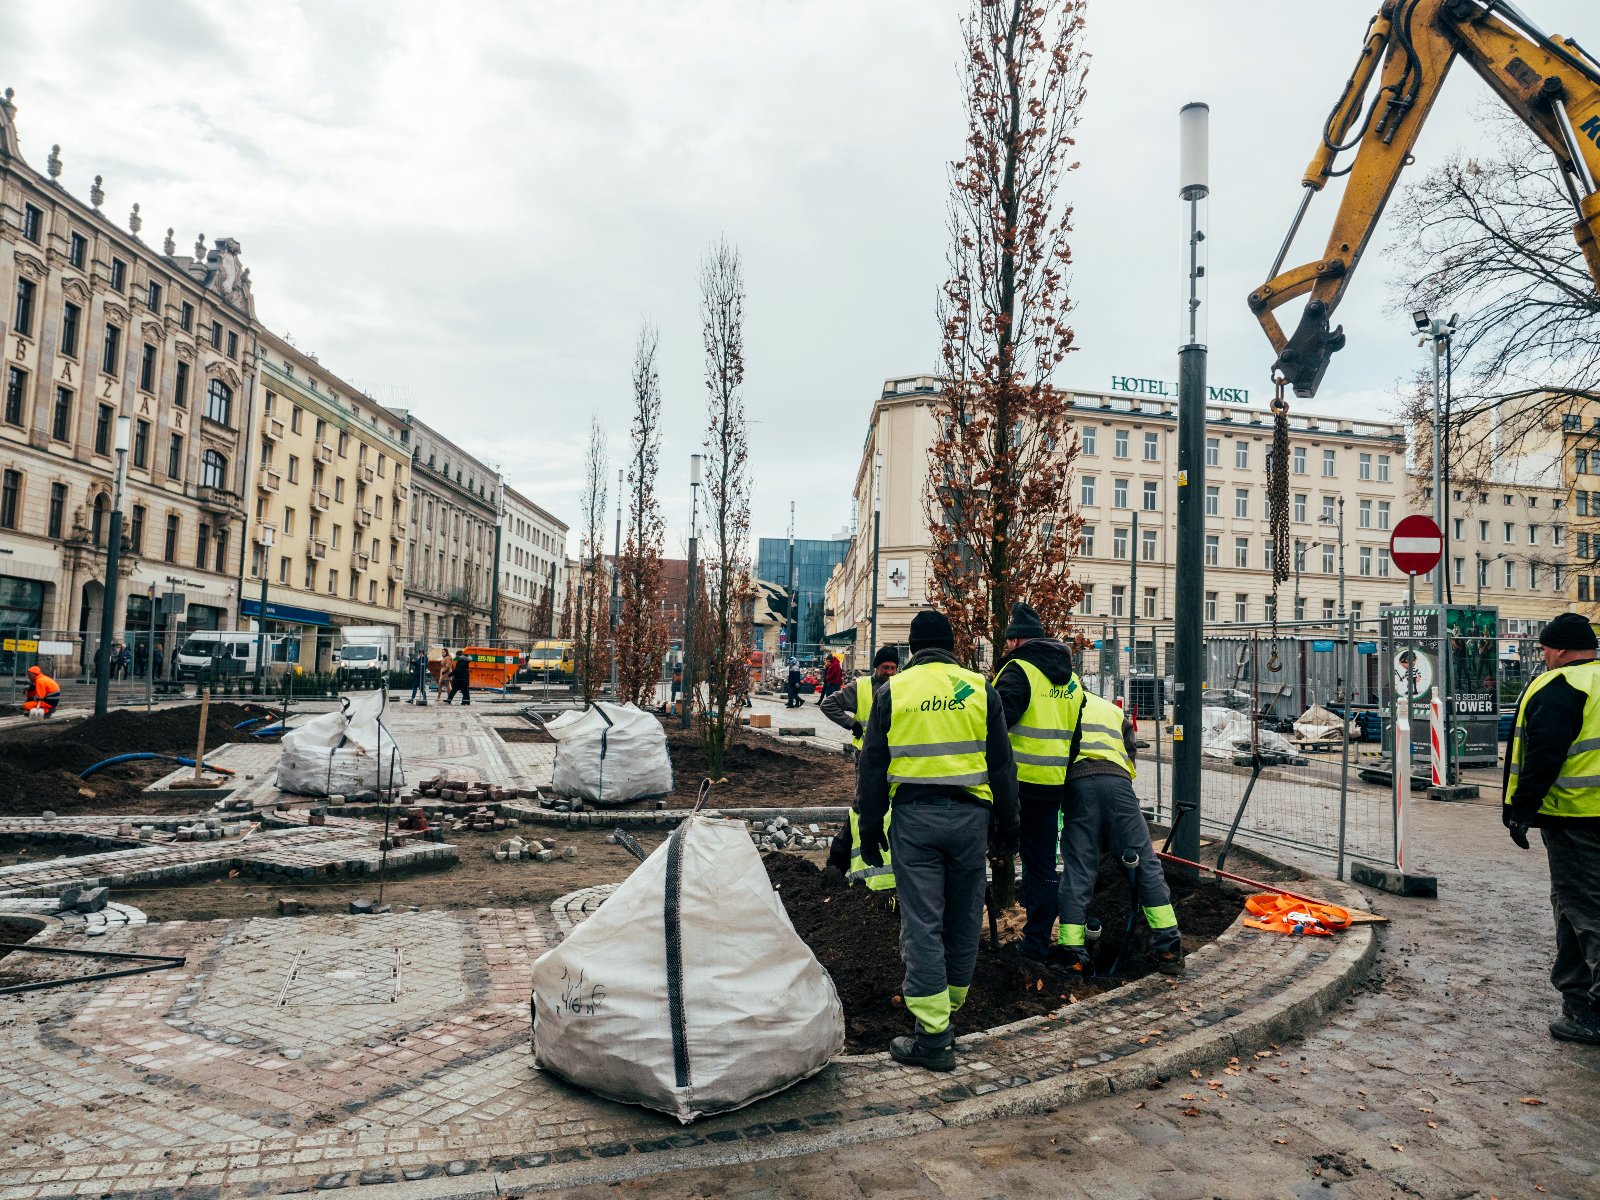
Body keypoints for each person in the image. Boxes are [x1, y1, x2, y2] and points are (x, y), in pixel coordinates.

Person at [856, 609, 1019, 1072]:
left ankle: (932, 1037)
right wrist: (1010, 829)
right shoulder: (978, 689)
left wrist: (870, 830)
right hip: (971, 819)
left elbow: (870, 767)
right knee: (965, 915)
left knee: (923, 920)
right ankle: (949, 1010)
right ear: (953, 646)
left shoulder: (894, 691)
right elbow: (1003, 766)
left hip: (914, 819)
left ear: (910, 649)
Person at [1503, 612, 1600, 1044]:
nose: (1543, 657)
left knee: (1584, 911)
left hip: (1574, 818)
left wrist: (1521, 811)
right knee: (1575, 907)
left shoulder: (1560, 686)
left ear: (1559, 649)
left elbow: (1544, 754)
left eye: (1544, 649)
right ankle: (1577, 999)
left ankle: (1592, 1013)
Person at [1057, 675, 1184, 979]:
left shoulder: (1059, 709)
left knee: (1078, 871)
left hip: (1076, 786)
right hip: (1118, 786)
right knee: (1146, 864)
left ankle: (1073, 957)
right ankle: (1168, 948)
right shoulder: (1110, 710)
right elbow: (1130, 753)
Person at [992, 602, 1084, 968]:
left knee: (992, 853)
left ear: (1015, 641)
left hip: (1014, 787)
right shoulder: (1072, 679)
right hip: (1051, 787)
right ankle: (1036, 946)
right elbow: (1074, 738)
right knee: (1043, 867)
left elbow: (995, 726)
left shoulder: (1019, 671)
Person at [823, 646, 901, 886]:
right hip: (866, 756)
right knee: (863, 804)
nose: (889, 672)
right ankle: (841, 861)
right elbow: (829, 704)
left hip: (895, 755)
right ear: (876, 667)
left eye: (893, 668)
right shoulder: (862, 687)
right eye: (885, 667)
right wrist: (851, 724)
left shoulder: (901, 686)